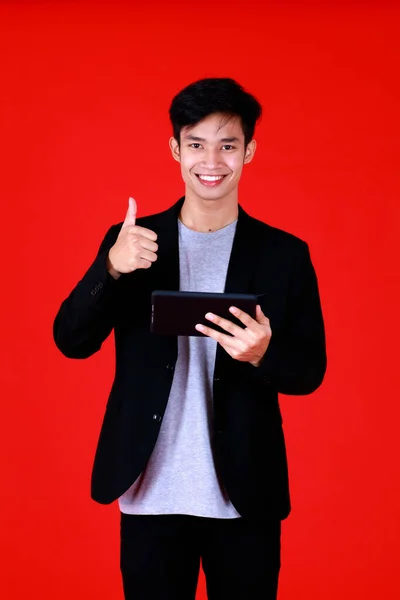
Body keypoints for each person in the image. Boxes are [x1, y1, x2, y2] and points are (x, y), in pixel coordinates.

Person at [53, 77, 326, 600]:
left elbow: (310, 370)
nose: (212, 161)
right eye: (197, 144)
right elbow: (71, 339)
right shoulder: (133, 242)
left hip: (245, 498)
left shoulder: (284, 254)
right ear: (176, 149)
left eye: (227, 145)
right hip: (150, 492)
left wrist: (264, 353)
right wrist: (110, 269)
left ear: (249, 151)